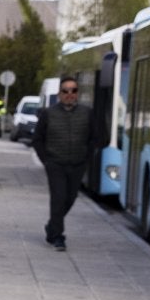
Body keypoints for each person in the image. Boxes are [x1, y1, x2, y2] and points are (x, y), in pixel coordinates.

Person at [30, 74, 94, 250]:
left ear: (77, 93)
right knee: (58, 199)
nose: (69, 94)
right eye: (65, 91)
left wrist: (86, 157)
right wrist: (46, 161)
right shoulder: (48, 114)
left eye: (73, 90)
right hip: (56, 164)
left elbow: (94, 138)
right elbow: (37, 139)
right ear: (59, 94)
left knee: (70, 198)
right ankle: (58, 236)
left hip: (77, 164)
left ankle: (51, 227)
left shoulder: (87, 113)